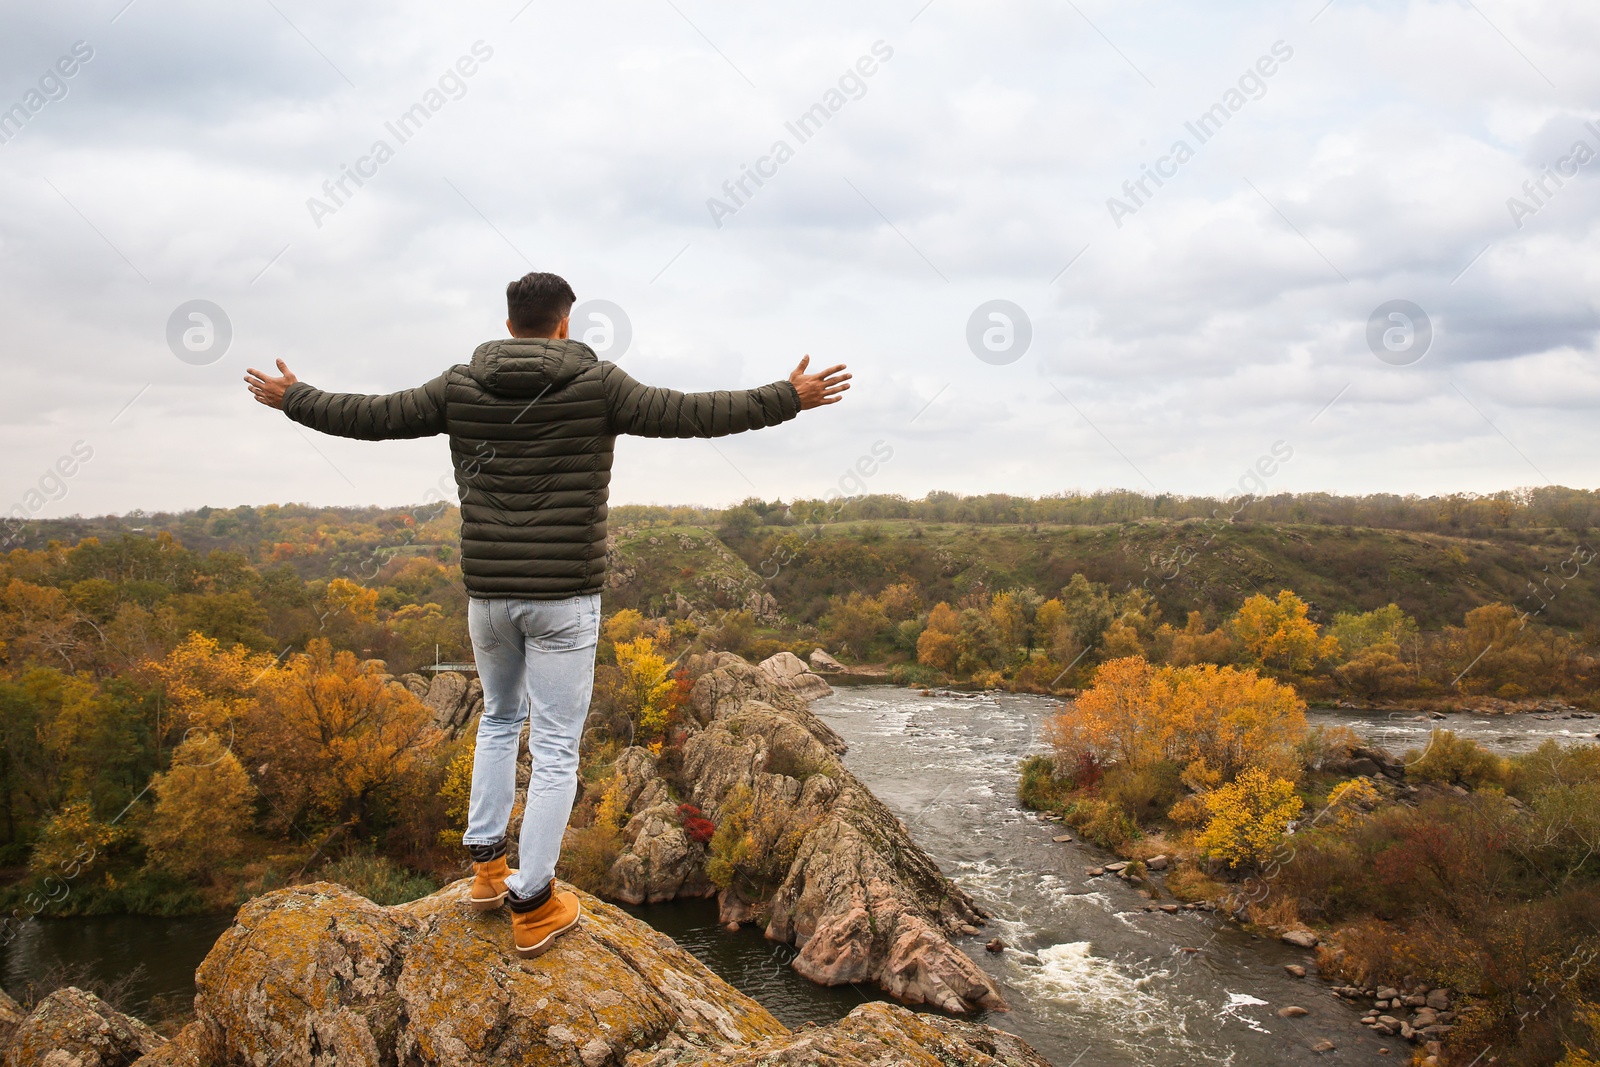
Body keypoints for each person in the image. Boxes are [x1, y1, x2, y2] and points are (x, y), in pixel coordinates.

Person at [244, 271, 849, 957]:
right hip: (564, 595)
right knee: (556, 746)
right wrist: (787, 398)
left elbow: (369, 417)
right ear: (565, 322)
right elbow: (693, 413)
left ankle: (485, 872)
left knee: (499, 719)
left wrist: (293, 398)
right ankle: (532, 903)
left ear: (509, 325)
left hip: (489, 596)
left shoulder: (459, 385)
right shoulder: (598, 384)